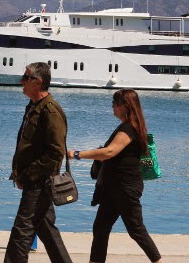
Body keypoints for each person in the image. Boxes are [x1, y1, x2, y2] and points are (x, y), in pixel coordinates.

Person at [68, 89, 163, 263]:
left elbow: (110, 151)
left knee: (136, 230)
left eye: (115, 103)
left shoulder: (129, 128)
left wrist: (77, 154)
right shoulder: (127, 126)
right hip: (113, 190)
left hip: (125, 189)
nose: (112, 106)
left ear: (125, 106)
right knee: (101, 229)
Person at [4, 62, 73, 263]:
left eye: (26, 78)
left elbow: (56, 152)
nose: (21, 81)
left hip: (40, 182)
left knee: (21, 232)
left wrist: (30, 173)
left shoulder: (50, 111)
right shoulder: (34, 107)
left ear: (38, 82)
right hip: (33, 179)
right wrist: (19, 173)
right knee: (45, 228)